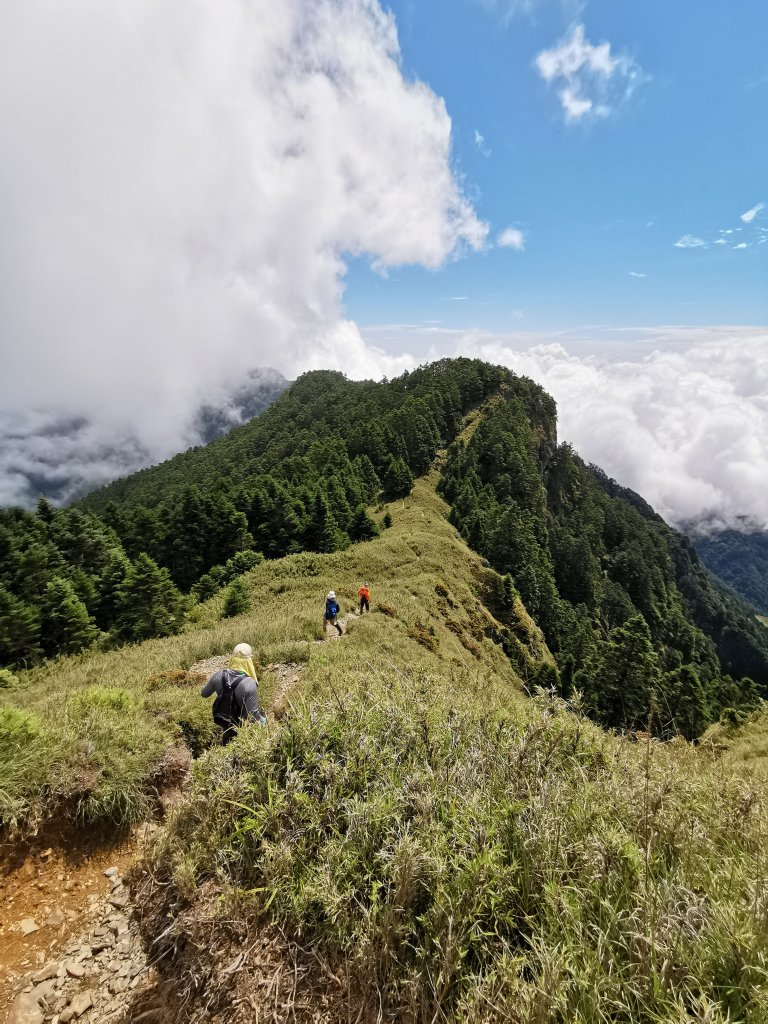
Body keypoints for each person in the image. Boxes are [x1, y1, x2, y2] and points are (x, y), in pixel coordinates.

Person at [201, 642, 266, 744]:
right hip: (242, 731)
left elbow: (204, 693)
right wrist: (263, 720)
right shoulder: (249, 683)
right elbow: (252, 718)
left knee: (227, 742)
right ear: (248, 661)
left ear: (232, 659)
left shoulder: (219, 675)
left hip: (224, 721)